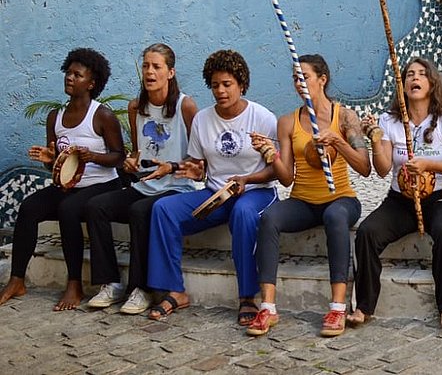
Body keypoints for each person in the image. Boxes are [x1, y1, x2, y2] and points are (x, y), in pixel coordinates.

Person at [146, 49, 278, 325]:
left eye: (227, 84)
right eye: (215, 85)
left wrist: (247, 180)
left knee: (243, 213)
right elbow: (198, 164)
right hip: (216, 195)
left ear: (241, 84)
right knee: (163, 210)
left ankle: (247, 297)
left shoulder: (263, 118)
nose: (220, 91)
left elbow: (275, 169)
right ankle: (175, 291)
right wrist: (194, 171)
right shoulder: (203, 120)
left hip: (256, 193)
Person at [247, 55, 369, 338]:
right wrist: (269, 153)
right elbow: (287, 177)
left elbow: (365, 167)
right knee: (269, 218)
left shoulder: (346, 117)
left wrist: (338, 139)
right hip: (303, 200)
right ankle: (267, 305)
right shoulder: (288, 122)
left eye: (305, 77)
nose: (298, 83)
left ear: (322, 80)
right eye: (294, 78)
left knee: (335, 215)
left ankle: (337, 306)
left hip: (341, 198)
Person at [0, 48, 125, 311]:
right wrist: (48, 158)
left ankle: (74, 283)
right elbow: (57, 166)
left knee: (68, 209)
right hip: (69, 186)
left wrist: (91, 156)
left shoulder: (102, 116)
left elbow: (118, 157)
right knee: (29, 207)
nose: (70, 77)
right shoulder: (55, 117)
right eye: (68, 72)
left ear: (91, 83)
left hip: (102, 185)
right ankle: (17, 279)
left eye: (77, 75)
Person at [347, 57, 442, 329]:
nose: (415, 78)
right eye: (409, 74)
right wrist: (376, 141)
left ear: (431, 82)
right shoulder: (389, 120)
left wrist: (428, 164)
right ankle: (364, 305)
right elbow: (382, 169)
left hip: (441, 199)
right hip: (400, 200)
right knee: (367, 233)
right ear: (402, 85)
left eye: (422, 74)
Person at [83, 43, 198, 314]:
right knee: (95, 207)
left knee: (139, 211)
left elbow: (198, 159)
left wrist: (170, 167)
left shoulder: (186, 106)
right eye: (146, 65)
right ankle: (110, 283)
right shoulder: (135, 107)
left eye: (156, 66)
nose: (149, 71)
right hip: (145, 184)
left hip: (176, 187)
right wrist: (132, 161)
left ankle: (141, 289)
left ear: (170, 72)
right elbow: (137, 150)